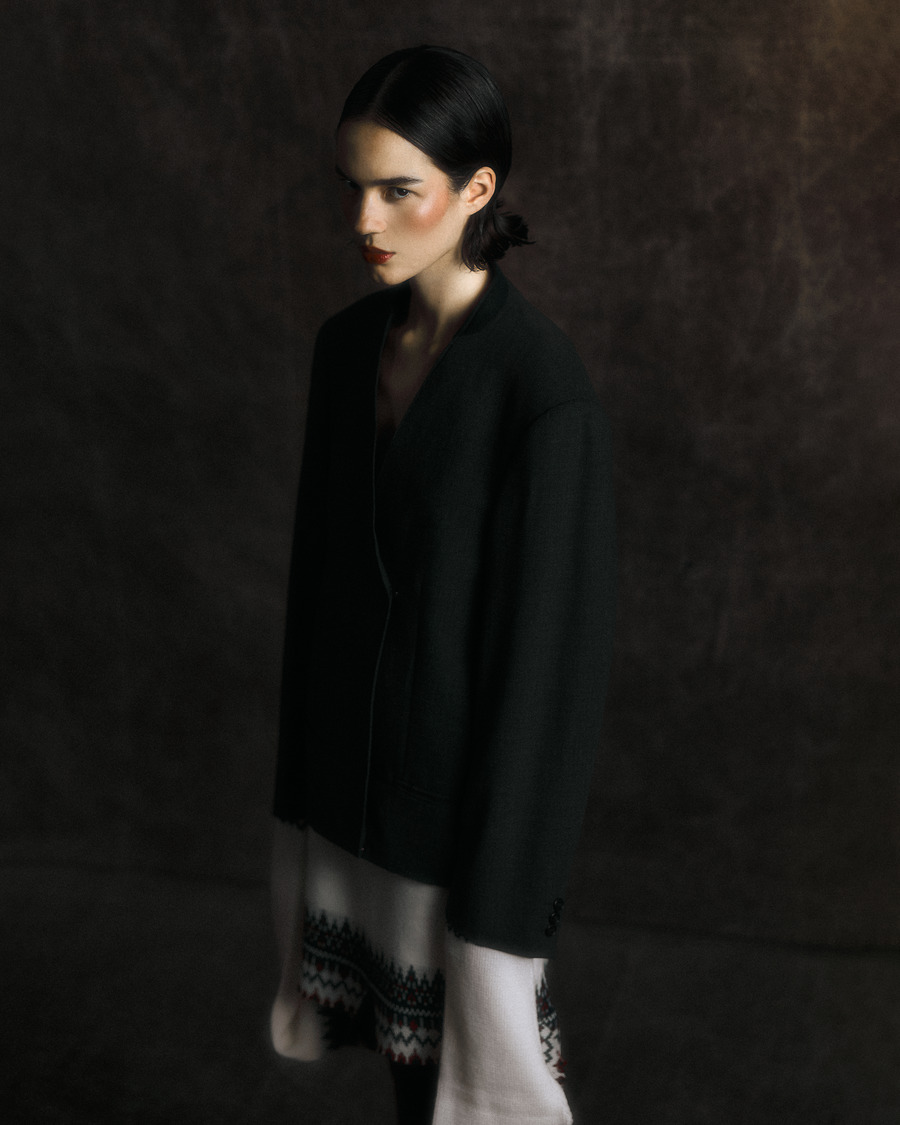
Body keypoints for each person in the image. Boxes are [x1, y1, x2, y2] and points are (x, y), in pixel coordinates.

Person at [269, 45, 616, 1125]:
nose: (364, 220)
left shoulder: (542, 396)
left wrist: (499, 914)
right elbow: (317, 600)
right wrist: (299, 809)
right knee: (394, 1079)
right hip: (346, 813)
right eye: (353, 187)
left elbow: (545, 682)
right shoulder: (343, 352)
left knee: (460, 1098)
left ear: (477, 190)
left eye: (397, 190)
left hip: (458, 841)